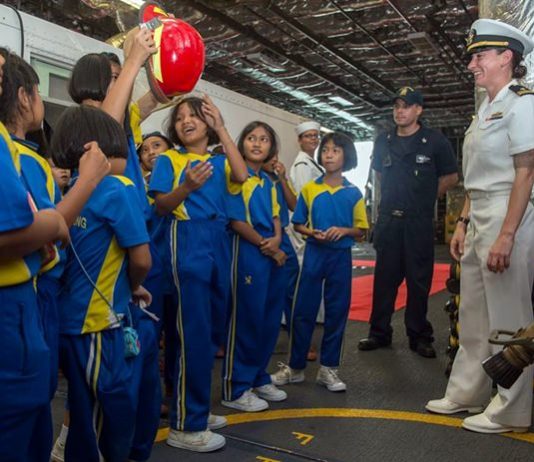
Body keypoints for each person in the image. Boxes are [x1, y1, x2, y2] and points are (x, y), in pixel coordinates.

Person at [426, 19, 534, 434]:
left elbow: (526, 172)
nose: (472, 64)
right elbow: (475, 176)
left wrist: (507, 234)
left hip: (510, 212)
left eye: (480, 55)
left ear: (507, 57)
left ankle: (511, 410)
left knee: (508, 316)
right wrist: (463, 222)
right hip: (480, 214)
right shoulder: (484, 110)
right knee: (472, 313)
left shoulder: (522, 104)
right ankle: (466, 392)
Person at [51, 105, 152, 462]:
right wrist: (134, 283)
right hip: (98, 323)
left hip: (70, 318)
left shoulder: (71, 191)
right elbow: (141, 259)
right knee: (108, 411)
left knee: (83, 408)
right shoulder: (117, 187)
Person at [149, 95, 248, 452]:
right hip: (187, 240)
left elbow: (242, 174)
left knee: (209, 331)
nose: (186, 121)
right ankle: (187, 425)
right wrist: (186, 187)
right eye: (179, 117)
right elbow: (160, 206)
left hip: (218, 240)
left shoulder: (219, 161)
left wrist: (222, 126)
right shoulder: (170, 159)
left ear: (208, 124)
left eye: (194, 116)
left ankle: (194, 407)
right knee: (193, 333)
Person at [0, 49, 70, 462]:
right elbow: (13, 233)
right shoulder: (21, 155)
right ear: (25, 97)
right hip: (15, 303)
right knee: (21, 417)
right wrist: (54, 223)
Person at [358, 87, 458, 358]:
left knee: (418, 281)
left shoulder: (434, 141)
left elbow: (451, 177)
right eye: (397, 106)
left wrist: (426, 198)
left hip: (418, 222)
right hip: (389, 221)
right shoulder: (384, 141)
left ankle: (419, 336)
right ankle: (379, 333)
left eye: (406, 106)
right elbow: (379, 175)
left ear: (418, 110)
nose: (400, 111)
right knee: (384, 281)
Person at [272, 132, 369, 391]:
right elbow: (298, 223)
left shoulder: (353, 193)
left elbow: (361, 230)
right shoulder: (310, 189)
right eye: (325, 150)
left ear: (347, 156)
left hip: (340, 257)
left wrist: (344, 231)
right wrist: (311, 232)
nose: (329, 155)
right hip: (314, 254)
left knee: (337, 312)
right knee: (303, 311)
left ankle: (329, 369)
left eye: (335, 150)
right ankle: (295, 367)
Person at [222, 121, 288, 412]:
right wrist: (267, 244)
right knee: (246, 320)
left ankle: (258, 376)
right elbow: (236, 221)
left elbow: (276, 217)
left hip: (270, 251)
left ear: (271, 147)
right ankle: (236, 387)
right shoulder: (236, 176)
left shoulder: (268, 183)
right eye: (251, 138)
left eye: (264, 139)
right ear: (242, 143)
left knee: (268, 319)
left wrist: (277, 240)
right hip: (248, 249)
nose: (257, 143)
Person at [289, 120, 324, 359]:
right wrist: (311, 230)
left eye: (315, 136)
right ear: (300, 140)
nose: (313, 139)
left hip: (310, 229)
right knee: (304, 285)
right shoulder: (303, 165)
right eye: (308, 136)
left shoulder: (311, 162)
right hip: (305, 231)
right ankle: (302, 340)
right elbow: (305, 199)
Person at [262, 151, 299, 339]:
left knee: (292, 287)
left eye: (276, 154)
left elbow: (294, 206)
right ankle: (264, 338)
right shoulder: (252, 179)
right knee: (265, 291)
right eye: (270, 156)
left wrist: (283, 179)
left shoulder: (278, 179)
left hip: (282, 236)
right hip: (260, 236)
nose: (274, 159)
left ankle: (296, 336)